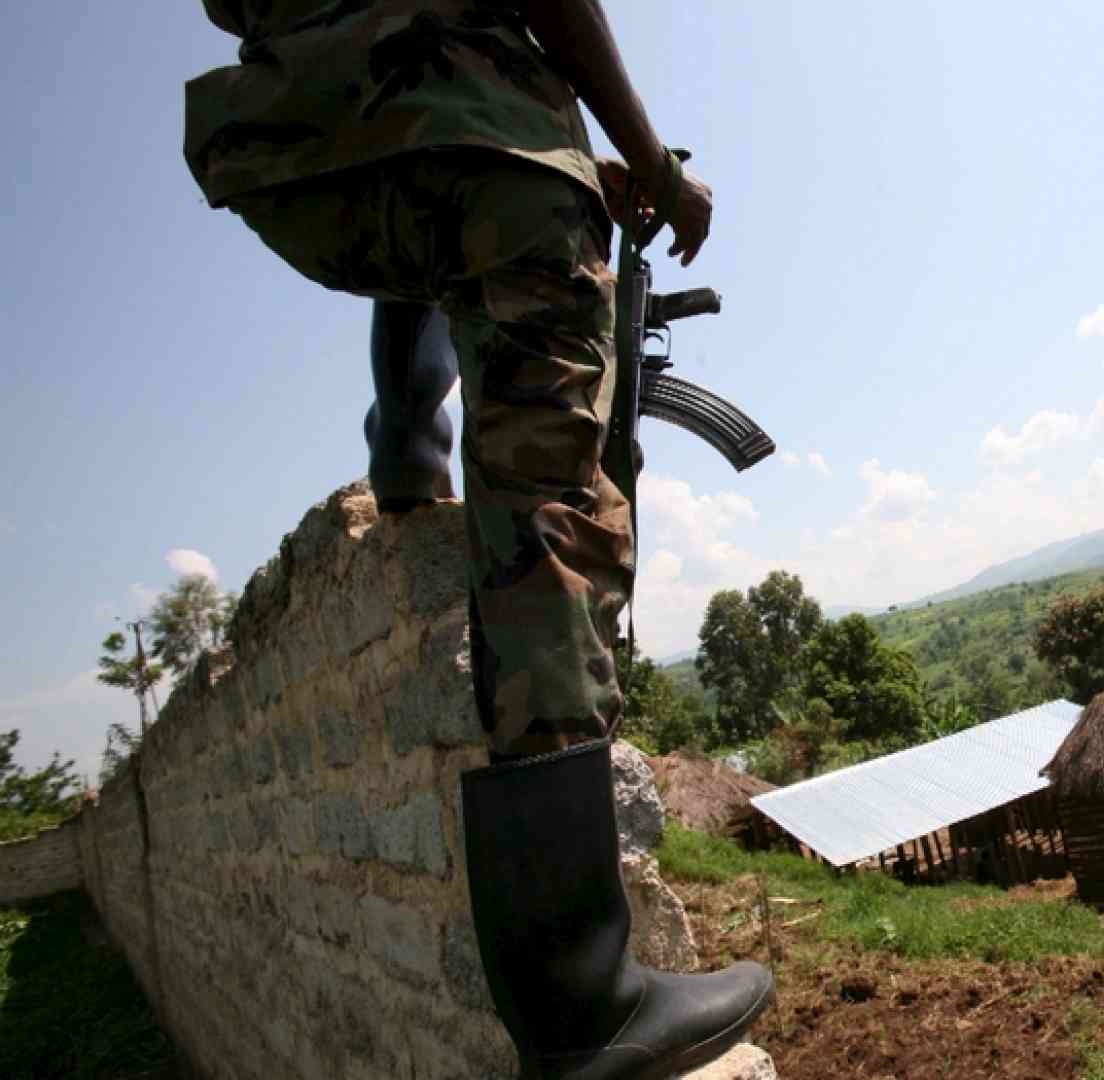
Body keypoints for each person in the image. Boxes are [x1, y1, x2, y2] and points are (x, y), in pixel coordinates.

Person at [183, 3, 773, 1077]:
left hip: (303, 153)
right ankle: (583, 1003)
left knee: (447, 210)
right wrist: (650, 166)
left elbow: (403, 82)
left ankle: (408, 447)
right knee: (549, 533)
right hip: (477, 151)